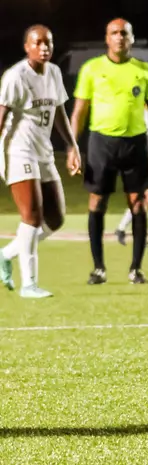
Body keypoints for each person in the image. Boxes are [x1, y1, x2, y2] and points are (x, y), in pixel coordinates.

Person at [71, 19, 148, 284]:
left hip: (135, 143)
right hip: (101, 143)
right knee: (97, 203)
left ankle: (136, 269)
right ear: (107, 38)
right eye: (114, 33)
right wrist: (73, 146)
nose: (119, 37)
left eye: (124, 33)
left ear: (132, 38)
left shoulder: (144, 70)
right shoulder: (91, 69)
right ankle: (98, 268)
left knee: (139, 204)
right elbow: (79, 111)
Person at [0, 25, 81, 297]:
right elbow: (1, 117)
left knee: (55, 218)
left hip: (43, 151)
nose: (44, 47)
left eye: (49, 43)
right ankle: (29, 285)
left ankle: (6, 255)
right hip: (17, 151)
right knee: (32, 217)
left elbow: (58, 112)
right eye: (38, 43)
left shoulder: (54, 73)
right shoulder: (15, 76)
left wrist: (72, 145)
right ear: (27, 47)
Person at [114, 107, 148, 249]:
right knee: (145, 200)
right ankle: (130, 232)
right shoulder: (136, 113)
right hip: (139, 163)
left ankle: (124, 230)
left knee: (145, 201)